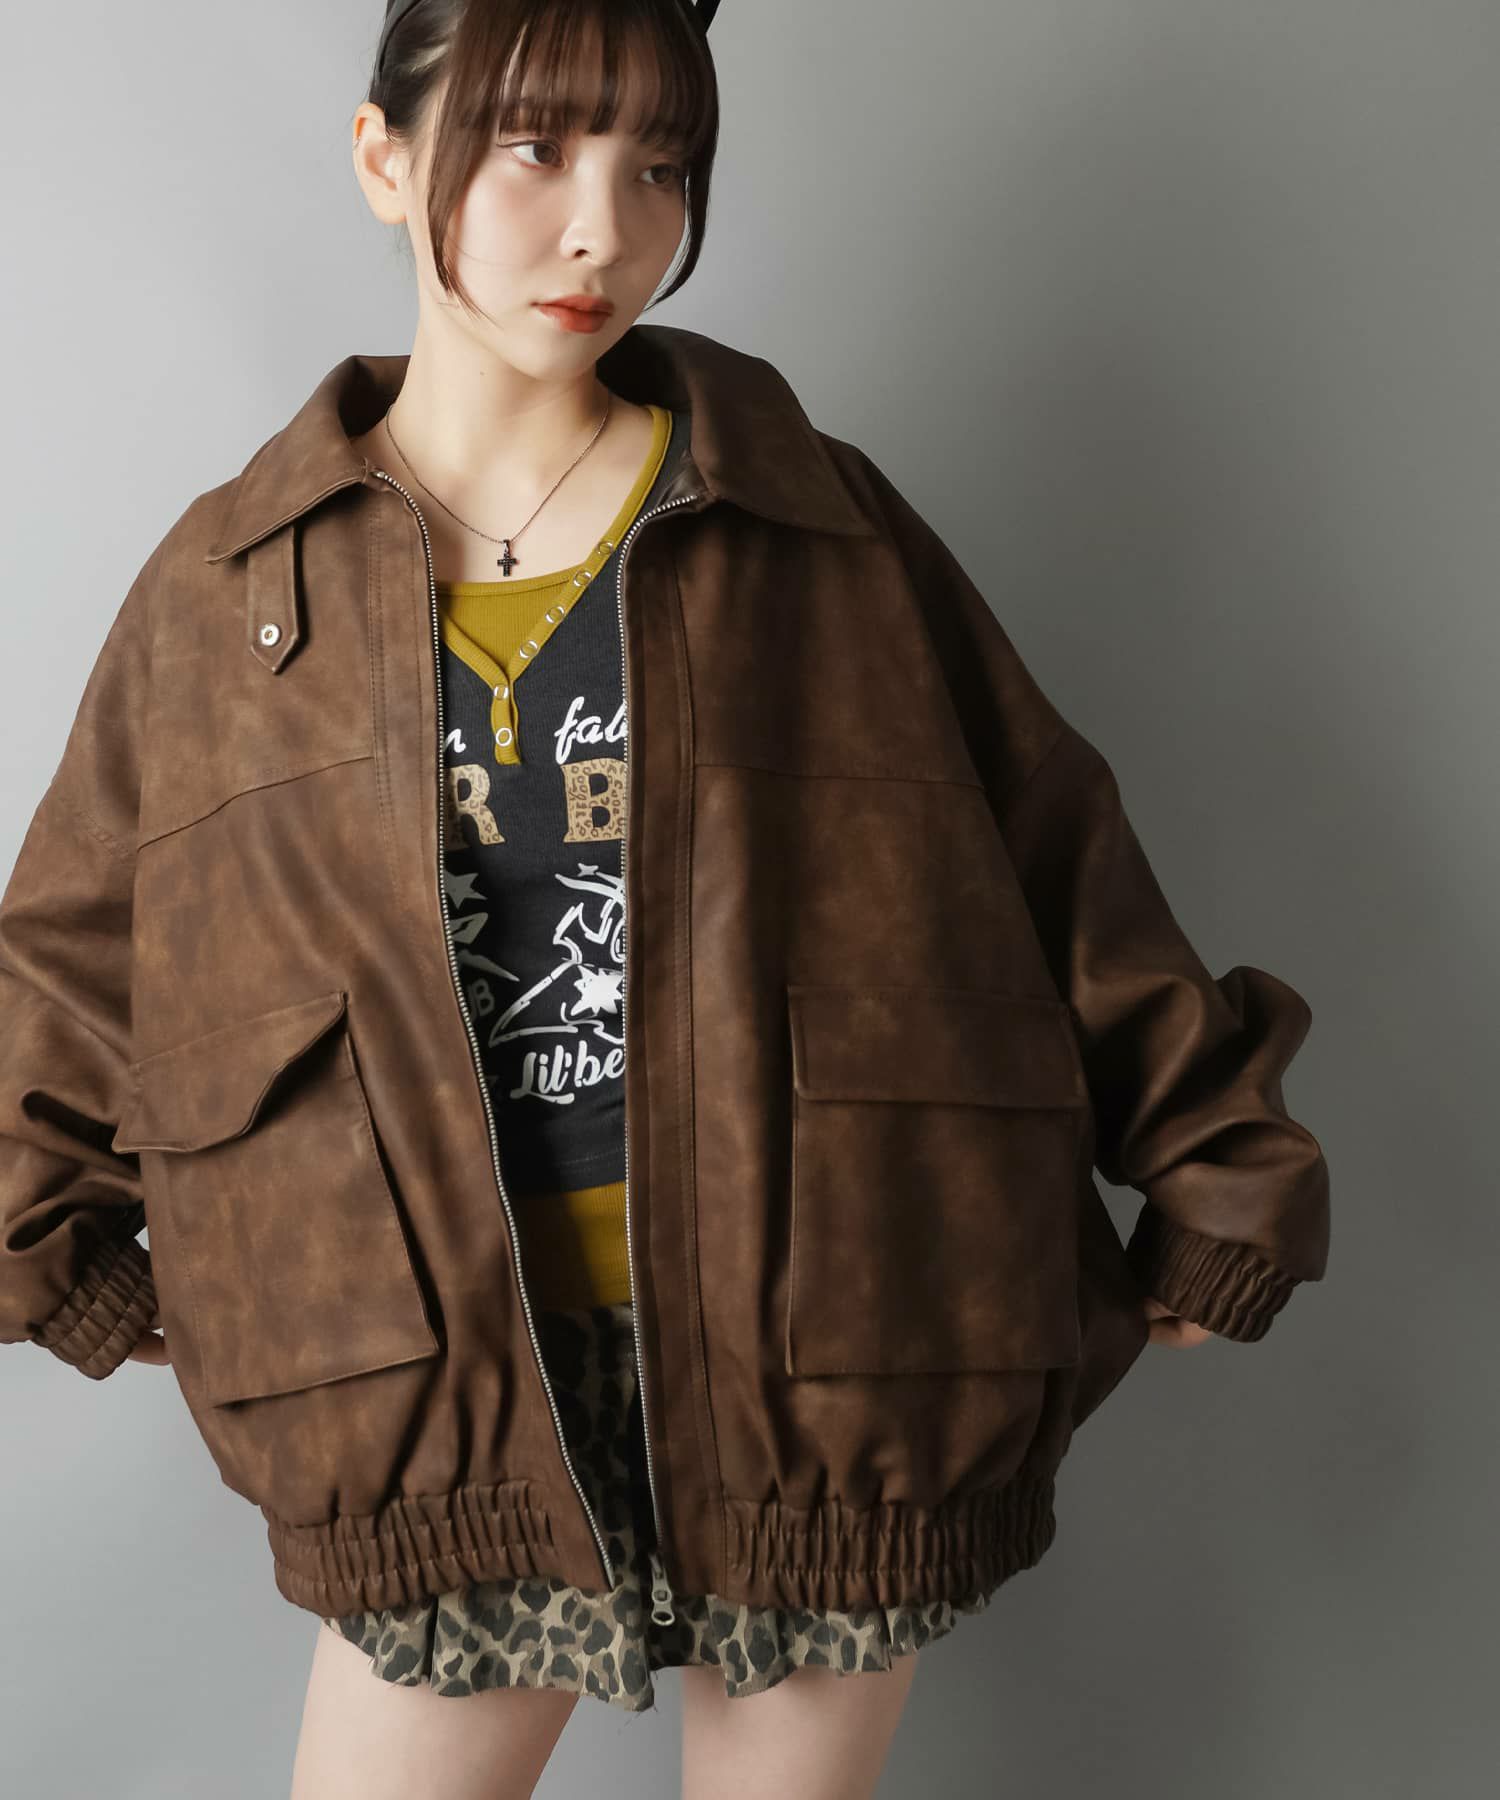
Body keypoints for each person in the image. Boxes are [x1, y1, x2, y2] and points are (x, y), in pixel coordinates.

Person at [1, 3, 1329, 1796]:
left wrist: (1222, 1178)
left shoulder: (810, 527)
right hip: (435, 1402)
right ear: (386, 158)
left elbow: (1050, 853)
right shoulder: (235, 587)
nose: (601, 231)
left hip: (831, 1359)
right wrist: (60, 1256)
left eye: (660, 167)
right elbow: (77, 961)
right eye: (534, 150)